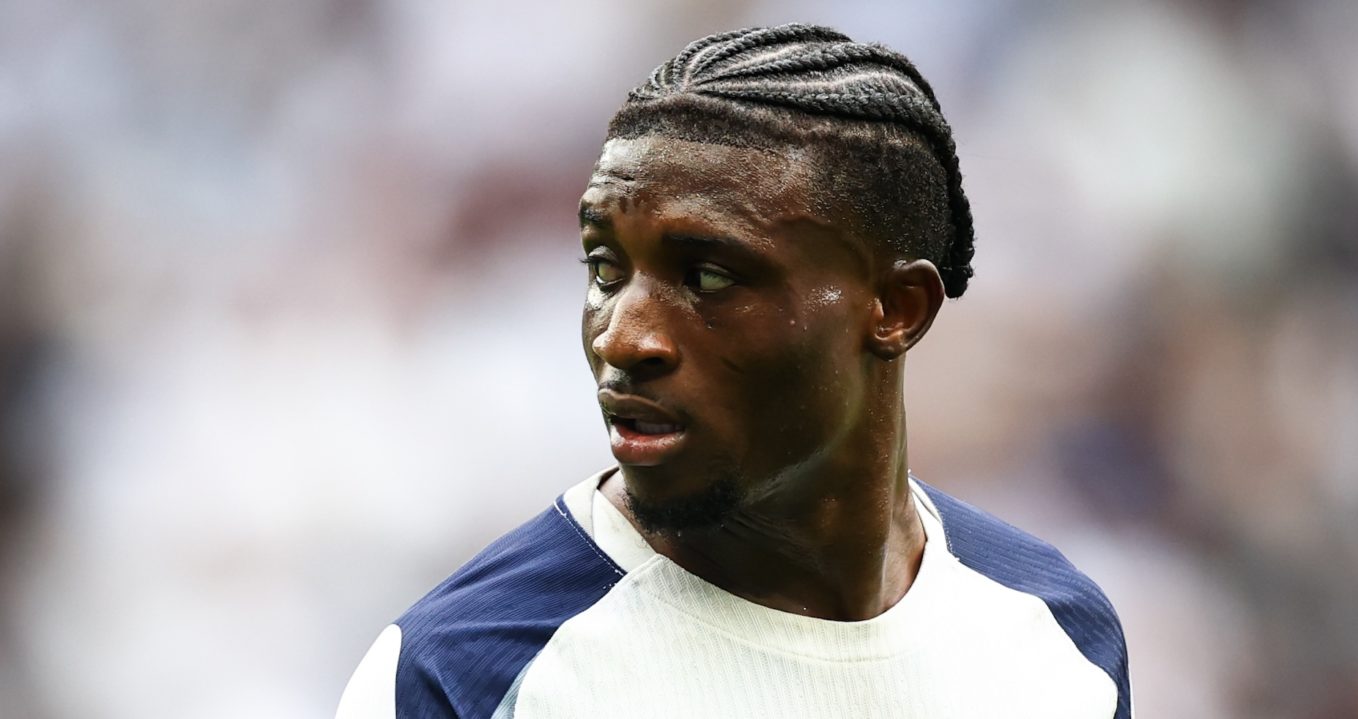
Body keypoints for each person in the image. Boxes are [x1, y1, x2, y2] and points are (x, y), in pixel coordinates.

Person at [336, 23, 1130, 719]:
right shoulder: (462, 676)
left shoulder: (1056, 641)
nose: (623, 338)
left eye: (709, 277)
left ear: (897, 308)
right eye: (605, 269)